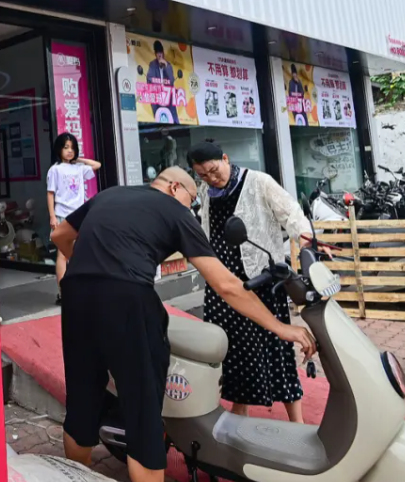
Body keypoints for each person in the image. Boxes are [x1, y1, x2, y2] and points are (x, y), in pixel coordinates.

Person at [50, 168, 315, 482]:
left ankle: (78, 474)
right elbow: (226, 285)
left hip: (76, 294)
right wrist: (281, 328)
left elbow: (59, 236)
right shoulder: (175, 211)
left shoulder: (109, 194)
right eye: (191, 201)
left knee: (81, 400)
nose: (192, 208)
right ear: (175, 187)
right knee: (144, 413)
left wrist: (90, 269)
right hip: (127, 299)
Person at [188, 141, 313, 423]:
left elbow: (291, 213)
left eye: (213, 170)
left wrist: (307, 242)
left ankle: (297, 422)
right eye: (203, 175)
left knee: (277, 350)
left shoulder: (258, 182)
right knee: (234, 354)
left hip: (260, 279)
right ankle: (238, 415)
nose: (211, 178)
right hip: (222, 284)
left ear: (225, 158)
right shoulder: (206, 192)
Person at [46, 133, 101, 305]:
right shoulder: (55, 170)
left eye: (72, 148)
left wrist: (79, 159)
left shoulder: (79, 168)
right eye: (65, 147)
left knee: (80, 253)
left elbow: (97, 165)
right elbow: (50, 194)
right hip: (62, 215)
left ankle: (80, 289)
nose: (69, 151)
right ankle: (63, 292)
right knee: (62, 255)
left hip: (80, 215)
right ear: (59, 149)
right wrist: (52, 216)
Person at [146, 40, 179, 124]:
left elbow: (171, 81)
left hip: (168, 97)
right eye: (157, 53)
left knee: (173, 118)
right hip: (158, 97)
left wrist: (166, 66)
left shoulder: (168, 64)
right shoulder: (152, 65)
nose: (159, 55)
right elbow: (149, 80)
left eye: (161, 52)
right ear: (155, 54)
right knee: (159, 119)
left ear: (163, 53)